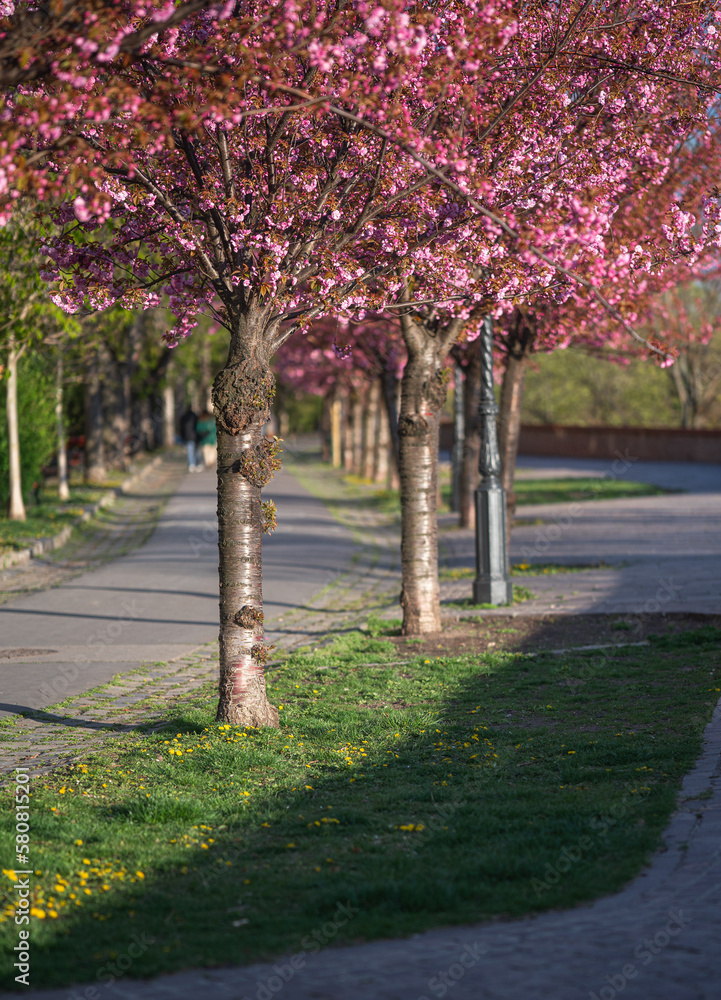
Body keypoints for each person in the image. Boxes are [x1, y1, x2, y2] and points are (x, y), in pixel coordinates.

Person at [179, 406, 200, 471]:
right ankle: (196, 464)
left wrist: (182, 436)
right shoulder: (195, 416)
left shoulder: (183, 417)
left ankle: (191, 465)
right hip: (195, 436)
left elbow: (181, 428)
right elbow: (198, 426)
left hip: (187, 436)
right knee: (196, 451)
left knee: (190, 451)